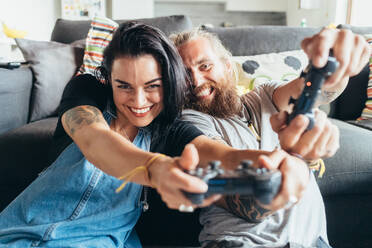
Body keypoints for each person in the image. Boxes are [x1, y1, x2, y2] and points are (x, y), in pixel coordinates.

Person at [0, 22, 311, 248]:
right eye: (124, 86)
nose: (138, 102)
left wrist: (272, 163)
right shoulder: (86, 92)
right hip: (18, 232)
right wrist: (153, 169)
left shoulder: (172, 127)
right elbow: (95, 141)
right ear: (108, 80)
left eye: (152, 86)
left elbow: (218, 154)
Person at [169, 27, 370, 248]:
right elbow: (249, 196)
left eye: (205, 66)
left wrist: (333, 65)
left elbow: (317, 91)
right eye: (184, 75)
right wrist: (293, 155)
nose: (196, 81)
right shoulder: (188, 123)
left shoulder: (265, 97)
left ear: (227, 66)